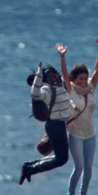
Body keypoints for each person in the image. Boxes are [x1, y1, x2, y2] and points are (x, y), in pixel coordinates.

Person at [59, 39, 98, 195]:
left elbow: (97, 69)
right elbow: (64, 73)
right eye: (81, 79)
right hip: (76, 135)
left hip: (90, 134)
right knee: (79, 166)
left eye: (85, 78)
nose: (84, 81)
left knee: (89, 167)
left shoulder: (91, 87)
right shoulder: (70, 90)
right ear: (74, 79)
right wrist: (62, 57)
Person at [19, 44, 72, 185]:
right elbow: (34, 94)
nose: (53, 79)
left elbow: (66, 101)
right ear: (45, 81)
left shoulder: (61, 87)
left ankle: (30, 166)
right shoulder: (46, 90)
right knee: (61, 159)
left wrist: (62, 56)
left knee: (61, 158)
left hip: (60, 125)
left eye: (54, 75)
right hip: (54, 126)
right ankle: (30, 168)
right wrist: (38, 75)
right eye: (49, 78)